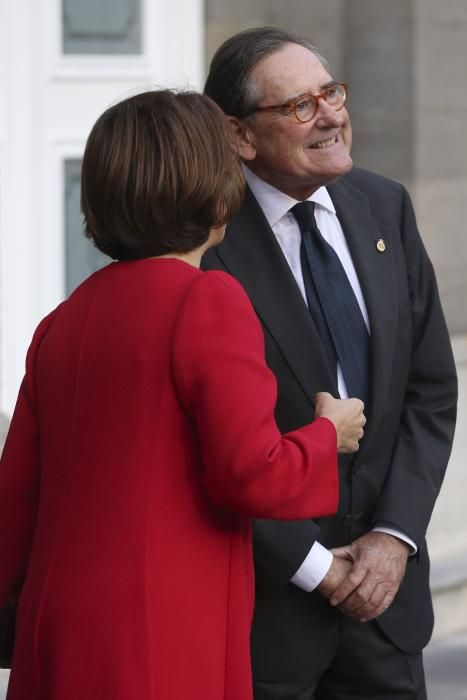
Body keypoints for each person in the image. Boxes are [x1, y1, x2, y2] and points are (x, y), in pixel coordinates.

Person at [0, 89, 366, 700]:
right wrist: (327, 434)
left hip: (57, 628)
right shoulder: (206, 299)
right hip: (161, 626)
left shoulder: (61, 323)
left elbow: (15, 501)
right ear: (213, 183)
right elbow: (251, 473)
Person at [202, 26, 458, 700]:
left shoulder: (384, 205)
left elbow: (428, 391)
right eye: (298, 106)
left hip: (385, 606)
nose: (330, 116)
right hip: (267, 618)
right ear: (238, 135)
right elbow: (205, 444)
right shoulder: (204, 241)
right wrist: (315, 566)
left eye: (331, 94)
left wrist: (394, 537)